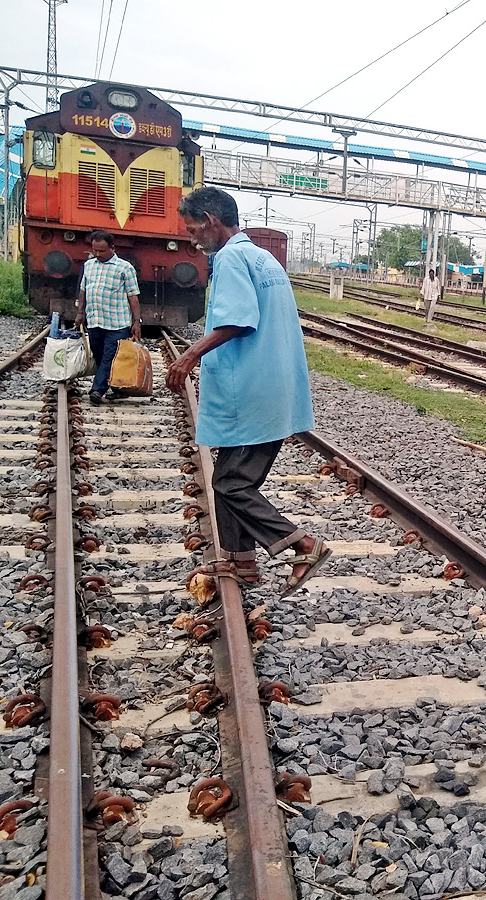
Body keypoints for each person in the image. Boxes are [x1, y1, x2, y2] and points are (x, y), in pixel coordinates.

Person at [164, 187, 330, 596]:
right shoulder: (261, 255)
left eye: (193, 229)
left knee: (231, 483)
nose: (191, 238)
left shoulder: (232, 257)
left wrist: (188, 356)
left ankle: (302, 545)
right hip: (270, 384)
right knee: (228, 476)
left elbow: (237, 320)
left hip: (252, 391)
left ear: (210, 219)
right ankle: (242, 562)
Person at [76, 230, 141, 404]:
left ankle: (97, 390)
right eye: (95, 250)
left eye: (101, 251)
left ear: (112, 248)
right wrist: (80, 313)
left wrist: (136, 322)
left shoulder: (125, 268)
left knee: (109, 356)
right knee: (98, 354)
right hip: (95, 320)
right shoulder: (89, 265)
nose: (97, 254)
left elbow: (133, 296)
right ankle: (117, 387)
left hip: (117, 323)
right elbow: (83, 290)